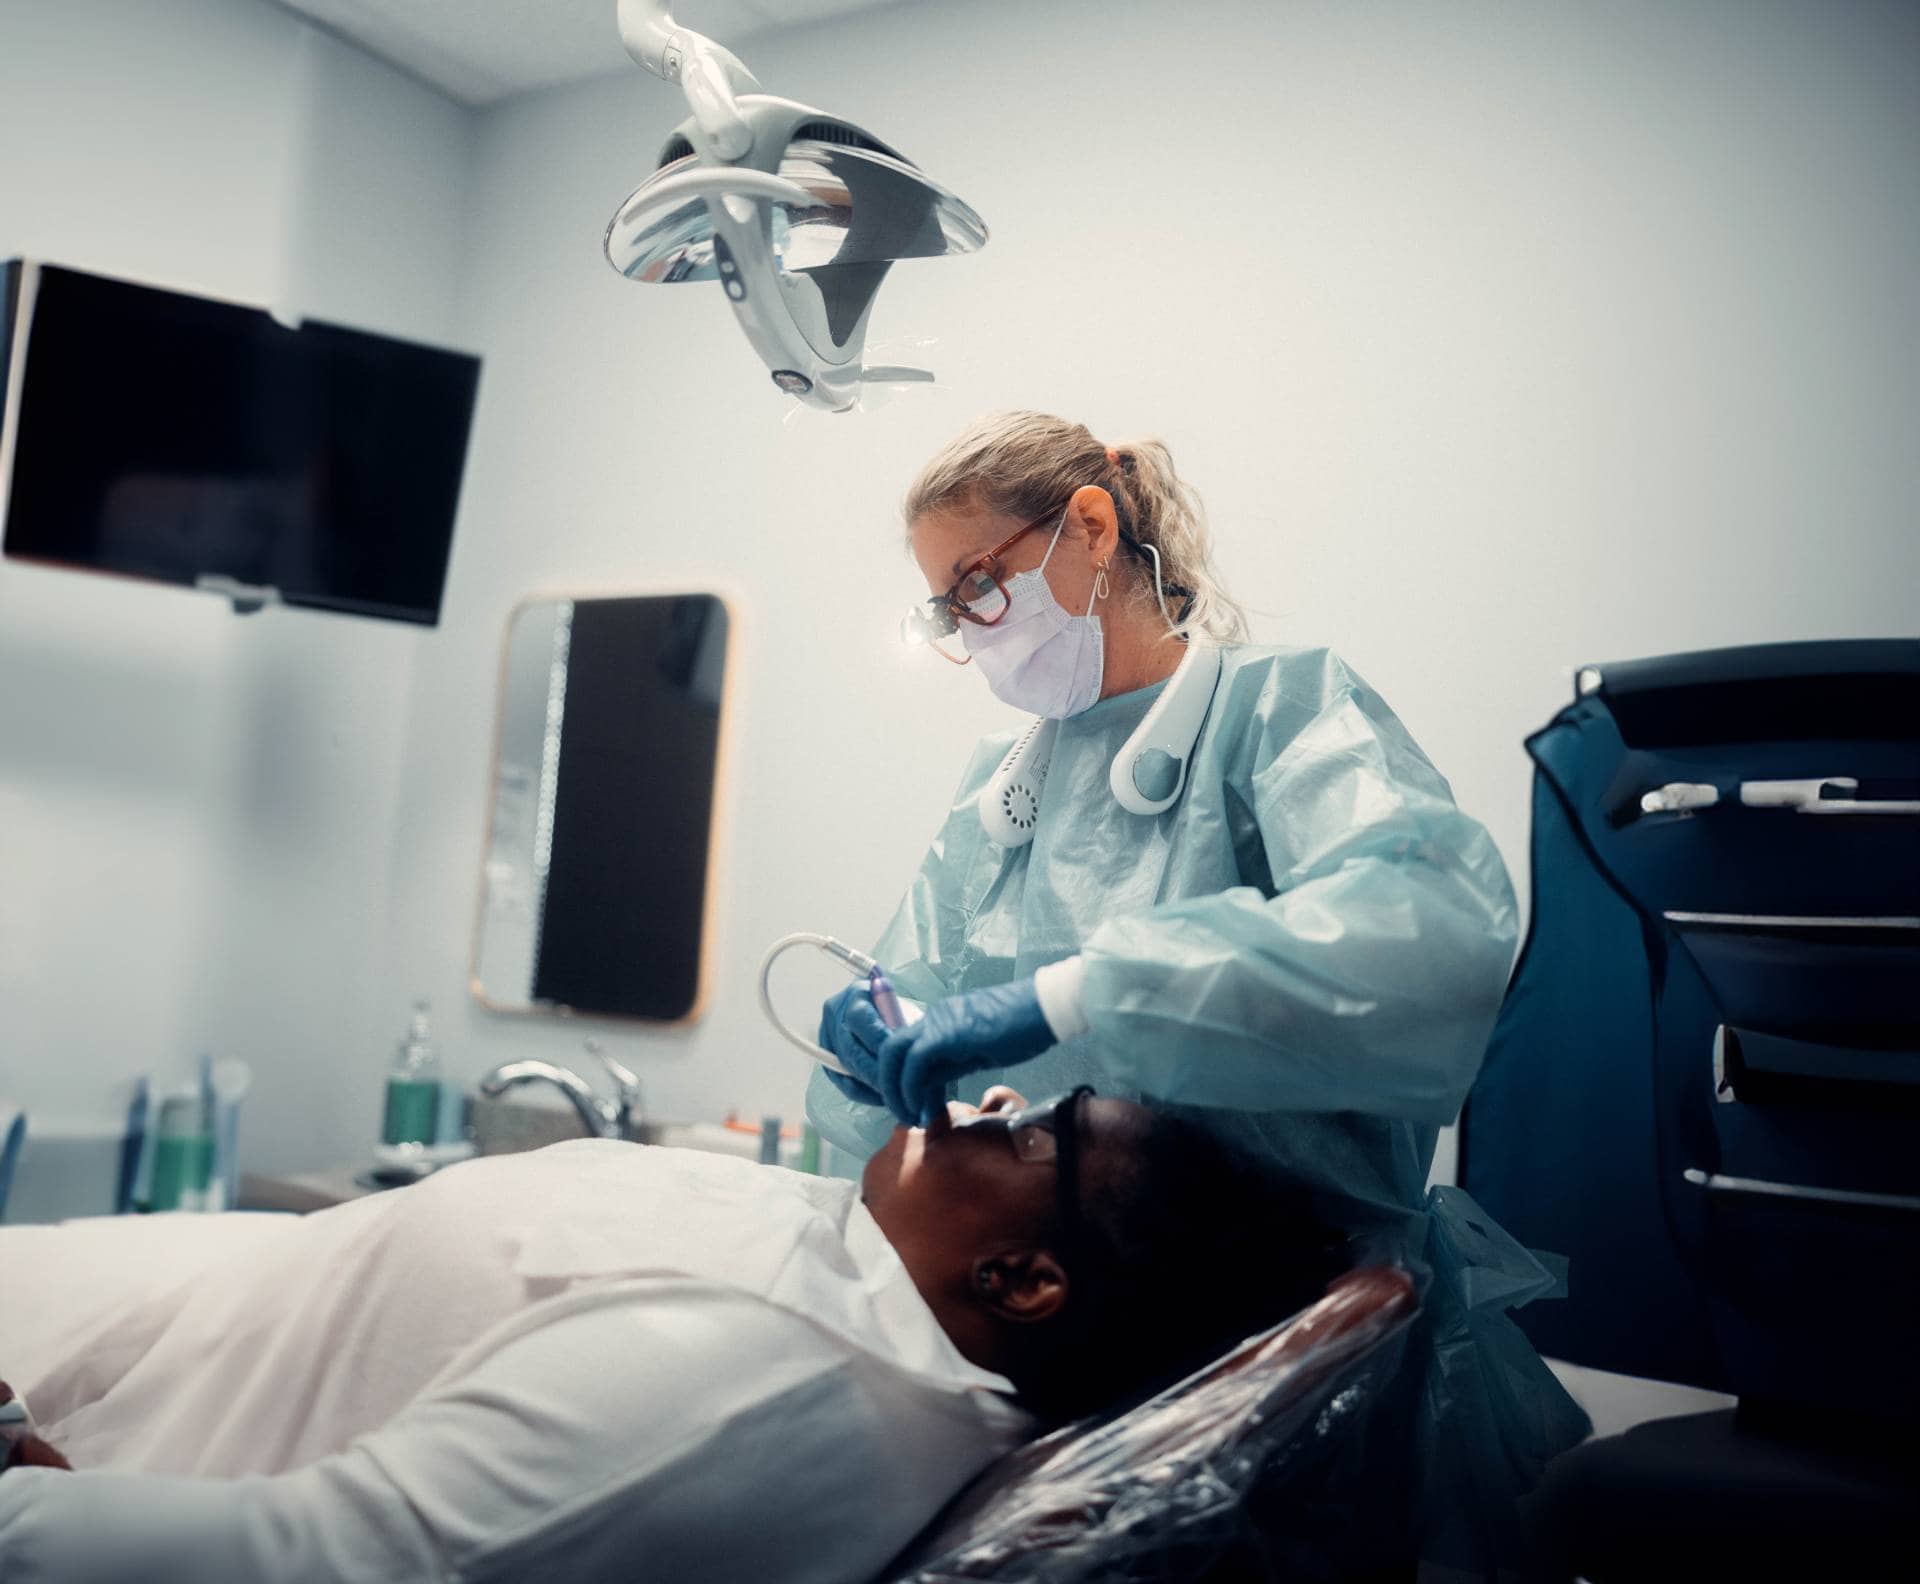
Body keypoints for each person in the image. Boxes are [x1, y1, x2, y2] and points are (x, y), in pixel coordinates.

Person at [805, 410, 1591, 1571]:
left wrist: (1082, 998)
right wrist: (874, 1040)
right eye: (947, 608)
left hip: (1309, 1355)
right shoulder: (1005, 791)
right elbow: (913, 1039)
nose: (974, 634)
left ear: (1089, 525)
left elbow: (1424, 937)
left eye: (980, 584)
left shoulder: (1284, 715)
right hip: (1066, 1380)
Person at [0, 1091, 1338, 1583]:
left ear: (1024, 1282)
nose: (991, 1099)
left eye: (1041, 1131)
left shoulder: (753, 1389)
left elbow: (321, 1562)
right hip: (148, 1314)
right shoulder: (859, 1273)